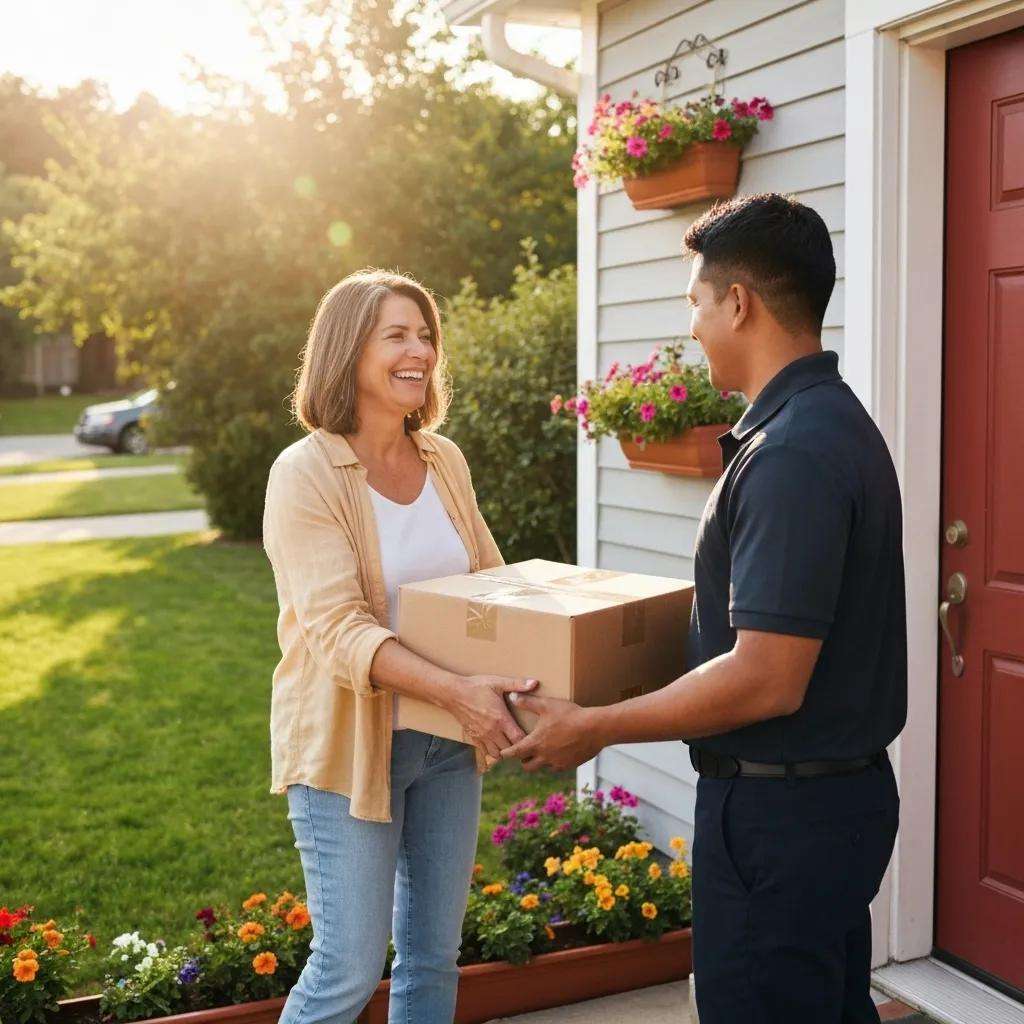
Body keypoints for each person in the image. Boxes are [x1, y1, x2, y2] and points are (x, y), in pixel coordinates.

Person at [501, 193, 907, 1023]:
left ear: (738, 302)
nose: (691, 325)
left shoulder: (792, 453)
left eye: (695, 301)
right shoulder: (821, 425)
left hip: (780, 823)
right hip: (819, 811)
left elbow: (766, 679)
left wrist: (592, 726)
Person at [262, 269, 537, 1024]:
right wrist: (459, 691)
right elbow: (338, 628)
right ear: (348, 351)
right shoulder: (307, 473)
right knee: (347, 970)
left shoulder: (444, 459)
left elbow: (490, 583)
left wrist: (548, 657)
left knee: (430, 961)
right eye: (397, 335)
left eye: (425, 335)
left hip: (448, 744)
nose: (419, 350)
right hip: (353, 748)